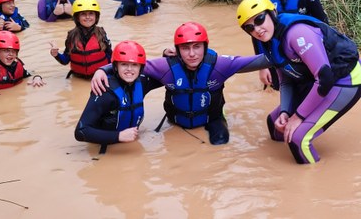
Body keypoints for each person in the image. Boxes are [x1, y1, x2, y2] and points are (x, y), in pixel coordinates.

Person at [91, 21, 272, 145]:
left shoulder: (221, 64)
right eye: (185, 48)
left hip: (212, 119)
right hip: (176, 122)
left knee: (220, 144)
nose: (192, 54)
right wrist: (102, 70)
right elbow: (129, 64)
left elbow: (259, 61)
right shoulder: (165, 66)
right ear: (177, 50)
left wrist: (289, 48)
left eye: (197, 47)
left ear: (205, 47)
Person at [236, 0, 361, 164]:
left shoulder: (296, 33)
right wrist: (285, 112)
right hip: (322, 81)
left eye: (259, 19)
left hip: (346, 80)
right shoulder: (268, 42)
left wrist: (298, 117)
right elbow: (286, 81)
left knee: (298, 139)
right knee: (274, 124)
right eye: (249, 28)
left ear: (272, 13)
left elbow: (324, 79)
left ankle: (314, 184)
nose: (256, 29)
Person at [256, 0, 329, 90]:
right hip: (278, 49)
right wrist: (262, 67)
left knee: (311, 85)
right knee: (277, 87)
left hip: (305, 46)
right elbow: (258, 35)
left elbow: (324, 24)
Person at [74, 40, 162, 152]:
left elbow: (169, 71)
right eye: (124, 64)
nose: (129, 69)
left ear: (141, 67)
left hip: (131, 145)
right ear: (115, 66)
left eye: (134, 64)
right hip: (106, 149)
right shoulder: (104, 90)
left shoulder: (143, 82)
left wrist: (170, 53)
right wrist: (119, 136)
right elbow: (81, 132)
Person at [49, 0, 112, 79]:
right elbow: (65, 60)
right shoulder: (71, 36)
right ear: (77, 18)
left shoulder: (102, 34)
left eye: (91, 13)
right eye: (83, 14)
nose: (87, 17)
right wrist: (56, 54)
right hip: (77, 78)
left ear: (96, 17)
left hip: (99, 78)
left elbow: (110, 58)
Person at [0, 31, 45, 98]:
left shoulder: (16, 65)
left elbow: (28, 75)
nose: (10, 54)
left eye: (14, 51)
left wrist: (37, 77)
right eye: (6, 51)